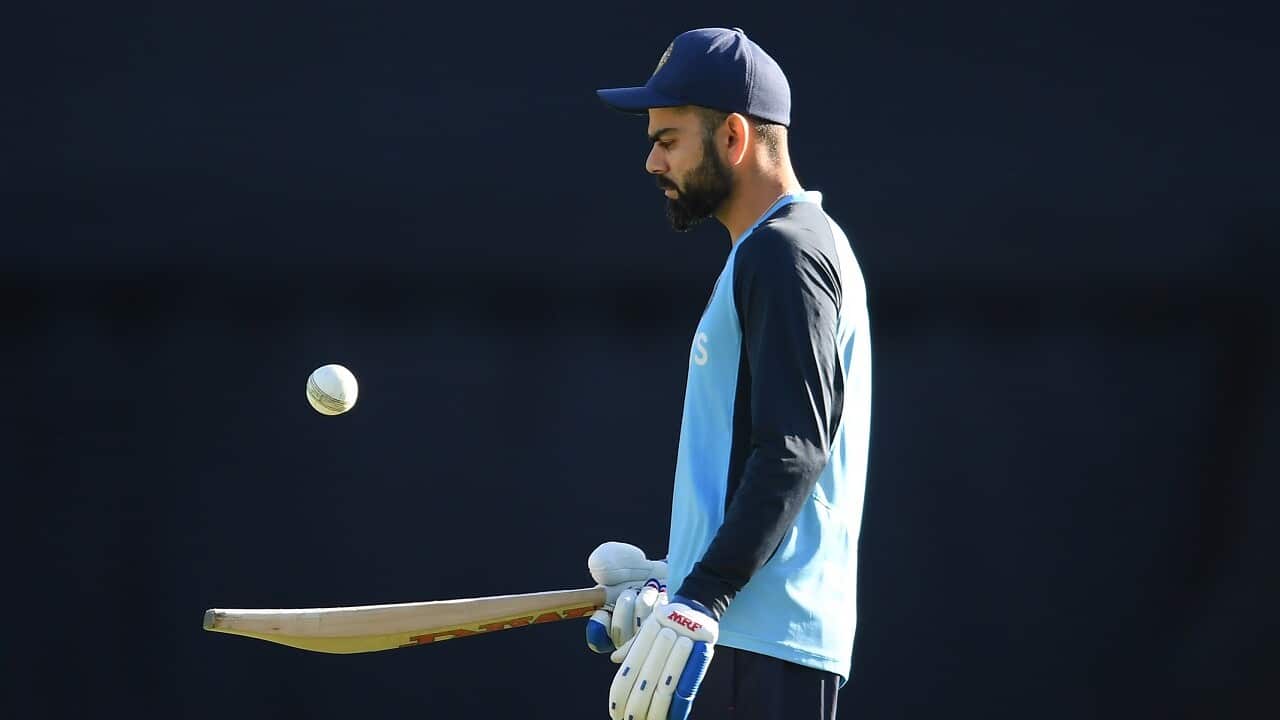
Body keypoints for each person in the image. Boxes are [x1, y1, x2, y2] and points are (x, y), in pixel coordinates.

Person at [584, 27, 872, 720]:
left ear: (734, 138)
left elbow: (793, 449)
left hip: (761, 646)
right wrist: (679, 574)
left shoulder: (785, 251)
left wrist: (702, 595)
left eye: (669, 139)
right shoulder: (782, 247)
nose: (653, 162)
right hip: (751, 638)